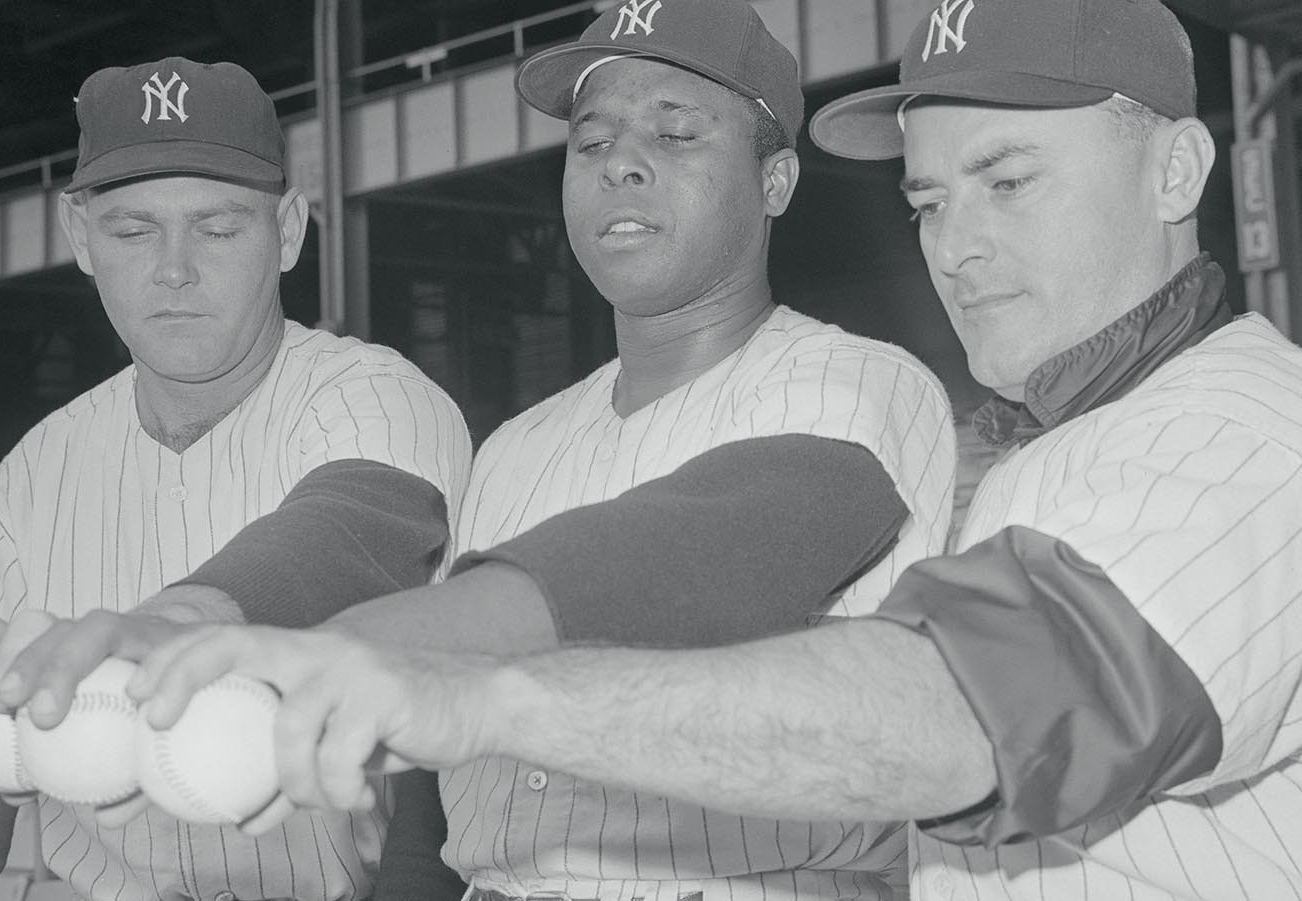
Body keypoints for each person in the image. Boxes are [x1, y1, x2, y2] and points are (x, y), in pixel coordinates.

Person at [134, 1, 1302, 898]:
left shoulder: (1253, 437)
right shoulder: (1051, 452)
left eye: (1011, 178)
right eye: (931, 196)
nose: (956, 240)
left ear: (1178, 170)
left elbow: (961, 712)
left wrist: (479, 687)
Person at [122, 2, 957, 898]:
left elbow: (702, 547)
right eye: (591, 143)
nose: (623, 163)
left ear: (776, 181)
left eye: (676, 135)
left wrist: (373, 639)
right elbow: (435, 800)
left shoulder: (858, 384)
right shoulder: (519, 448)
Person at [0, 57, 473, 901]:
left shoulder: (376, 393)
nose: (174, 268)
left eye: (220, 227)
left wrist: (176, 623)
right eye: (131, 230)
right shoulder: (33, 475)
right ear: (80, 238)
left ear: (290, 231)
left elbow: (357, 528)